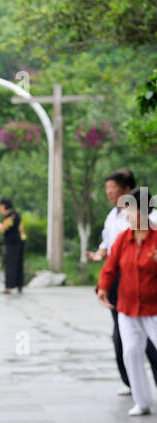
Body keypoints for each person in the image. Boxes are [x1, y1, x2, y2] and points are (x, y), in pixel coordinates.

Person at [88, 169, 157, 396]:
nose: (109, 193)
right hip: (126, 293)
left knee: (151, 345)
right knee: (127, 345)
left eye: (113, 189)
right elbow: (110, 261)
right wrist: (103, 288)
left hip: (151, 297)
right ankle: (137, 393)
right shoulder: (120, 232)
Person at [0, 197, 25, 293]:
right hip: (20, 242)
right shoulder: (16, 214)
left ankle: (8, 287)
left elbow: (3, 229)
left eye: (0, 206)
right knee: (18, 264)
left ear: (4, 206)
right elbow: (21, 229)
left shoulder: (10, 216)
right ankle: (20, 286)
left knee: (10, 265)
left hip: (12, 244)